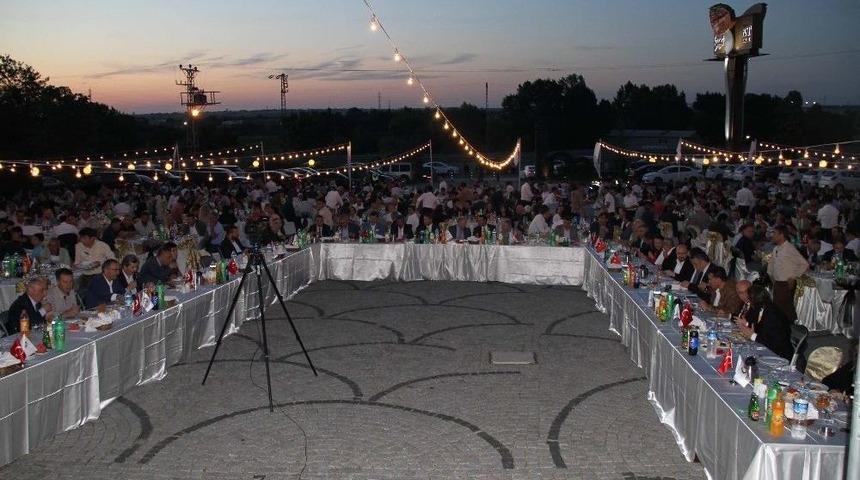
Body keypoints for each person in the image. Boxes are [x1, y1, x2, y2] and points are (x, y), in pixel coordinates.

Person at [735, 285, 793, 360]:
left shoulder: (772, 315)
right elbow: (761, 328)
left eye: (749, 300)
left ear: (754, 300)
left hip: (779, 355)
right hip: (770, 349)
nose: (748, 302)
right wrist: (747, 324)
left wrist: (753, 336)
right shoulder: (764, 308)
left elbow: (773, 342)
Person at [767, 225, 808, 322]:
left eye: (775, 233)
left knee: (784, 308)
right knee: (779, 307)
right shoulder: (776, 248)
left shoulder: (789, 248)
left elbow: (804, 264)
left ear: (781, 235)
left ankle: (789, 325)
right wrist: (771, 275)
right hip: (777, 282)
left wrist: (793, 277)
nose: (772, 236)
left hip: (785, 283)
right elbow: (772, 264)